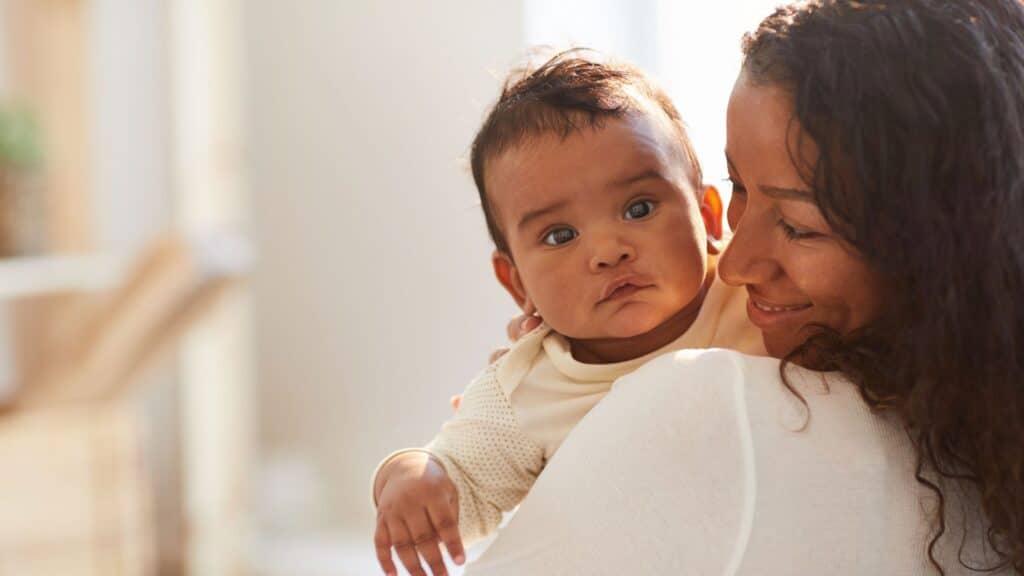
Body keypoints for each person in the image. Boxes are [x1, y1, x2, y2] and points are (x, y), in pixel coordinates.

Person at [466, 1, 1024, 574]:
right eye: (739, 186)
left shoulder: (704, 402)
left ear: (941, 249)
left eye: (799, 226)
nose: (731, 263)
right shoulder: (982, 444)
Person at [371, 50, 765, 576]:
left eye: (639, 208)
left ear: (708, 215)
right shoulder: (527, 385)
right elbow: (462, 484)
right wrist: (409, 476)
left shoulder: (757, 292)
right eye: (560, 235)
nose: (608, 251)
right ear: (517, 283)